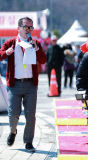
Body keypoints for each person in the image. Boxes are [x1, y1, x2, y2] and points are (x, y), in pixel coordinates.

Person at [0, 17, 46, 152]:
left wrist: (37, 50)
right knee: (13, 113)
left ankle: (28, 142)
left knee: (31, 115)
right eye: (26, 27)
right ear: (19, 28)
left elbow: (43, 60)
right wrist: (6, 52)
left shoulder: (35, 42)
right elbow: (0, 54)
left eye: (31, 27)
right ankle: (13, 131)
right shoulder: (11, 42)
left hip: (31, 85)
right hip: (14, 84)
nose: (28, 30)